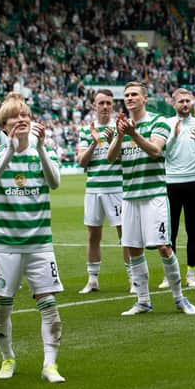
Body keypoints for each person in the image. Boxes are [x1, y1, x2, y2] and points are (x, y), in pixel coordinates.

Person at [0, 96, 65, 382]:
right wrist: (8, 151)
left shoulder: (46, 151)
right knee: (2, 306)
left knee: (49, 304)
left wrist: (40, 149)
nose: (22, 119)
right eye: (15, 116)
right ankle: (7, 358)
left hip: (40, 243)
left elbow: (54, 182)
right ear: (4, 126)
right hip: (6, 245)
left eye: (26, 114)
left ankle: (50, 365)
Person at [107, 81, 195, 315]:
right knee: (133, 248)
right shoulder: (123, 126)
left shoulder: (158, 122)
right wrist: (119, 136)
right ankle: (143, 301)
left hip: (154, 195)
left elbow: (156, 150)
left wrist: (133, 133)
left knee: (164, 247)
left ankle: (179, 298)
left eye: (134, 94)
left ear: (145, 98)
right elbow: (110, 158)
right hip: (129, 196)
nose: (129, 98)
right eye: (126, 95)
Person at [76, 89, 131, 294]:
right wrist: (94, 141)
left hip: (116, 187)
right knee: (93, 235)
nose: (105, 106)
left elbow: (124, 159)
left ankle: (133, 280)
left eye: (108, 103)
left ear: (113, 105)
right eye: (101, 103)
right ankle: (92, 280)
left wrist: (109, 142)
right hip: (93, 189)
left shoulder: (120, 128)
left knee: (125, 235)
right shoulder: (85, 130)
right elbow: (82, 161)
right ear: (94, 106)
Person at [161, 88, 195, 289]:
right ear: (173, 103)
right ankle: (170, 275)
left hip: (194, 182)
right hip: (171, 182)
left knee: (193, 229)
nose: (185, 104)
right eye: (181, 101)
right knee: (169, 232)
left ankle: (191, 274)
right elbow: (163, 153)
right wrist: (173, 136)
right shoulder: (166, 124)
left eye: (188, 101)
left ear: (193, 102)